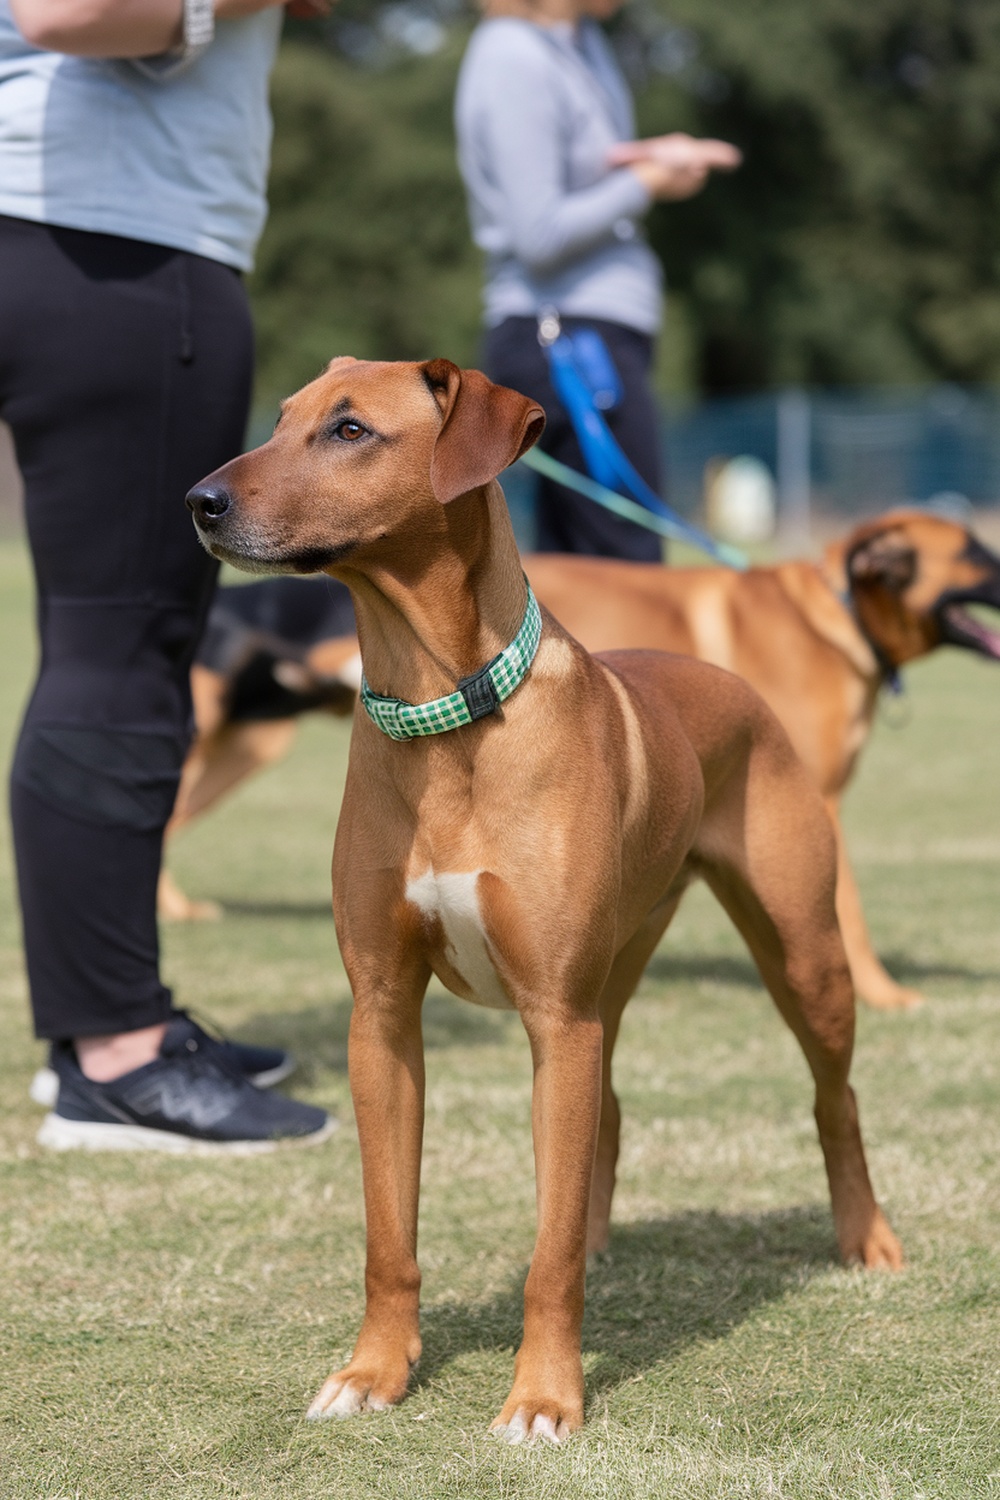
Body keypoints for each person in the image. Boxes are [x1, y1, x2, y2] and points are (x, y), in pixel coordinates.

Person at [0, 0, 335, 1150]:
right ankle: (116, 1059)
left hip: (71, 231)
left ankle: (104, 1031)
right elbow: (70, 10)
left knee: (109, 642)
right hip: (112, 242)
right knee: (127, 648)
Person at [455, 0, 741, 559]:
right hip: (565, 338)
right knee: (625, 569)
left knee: (592, 574)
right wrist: (648, 182)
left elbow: (580, 160)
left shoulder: (582, 41)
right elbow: (539, 234)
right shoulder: (512, 55)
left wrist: (648, 157)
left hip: (594, 333)